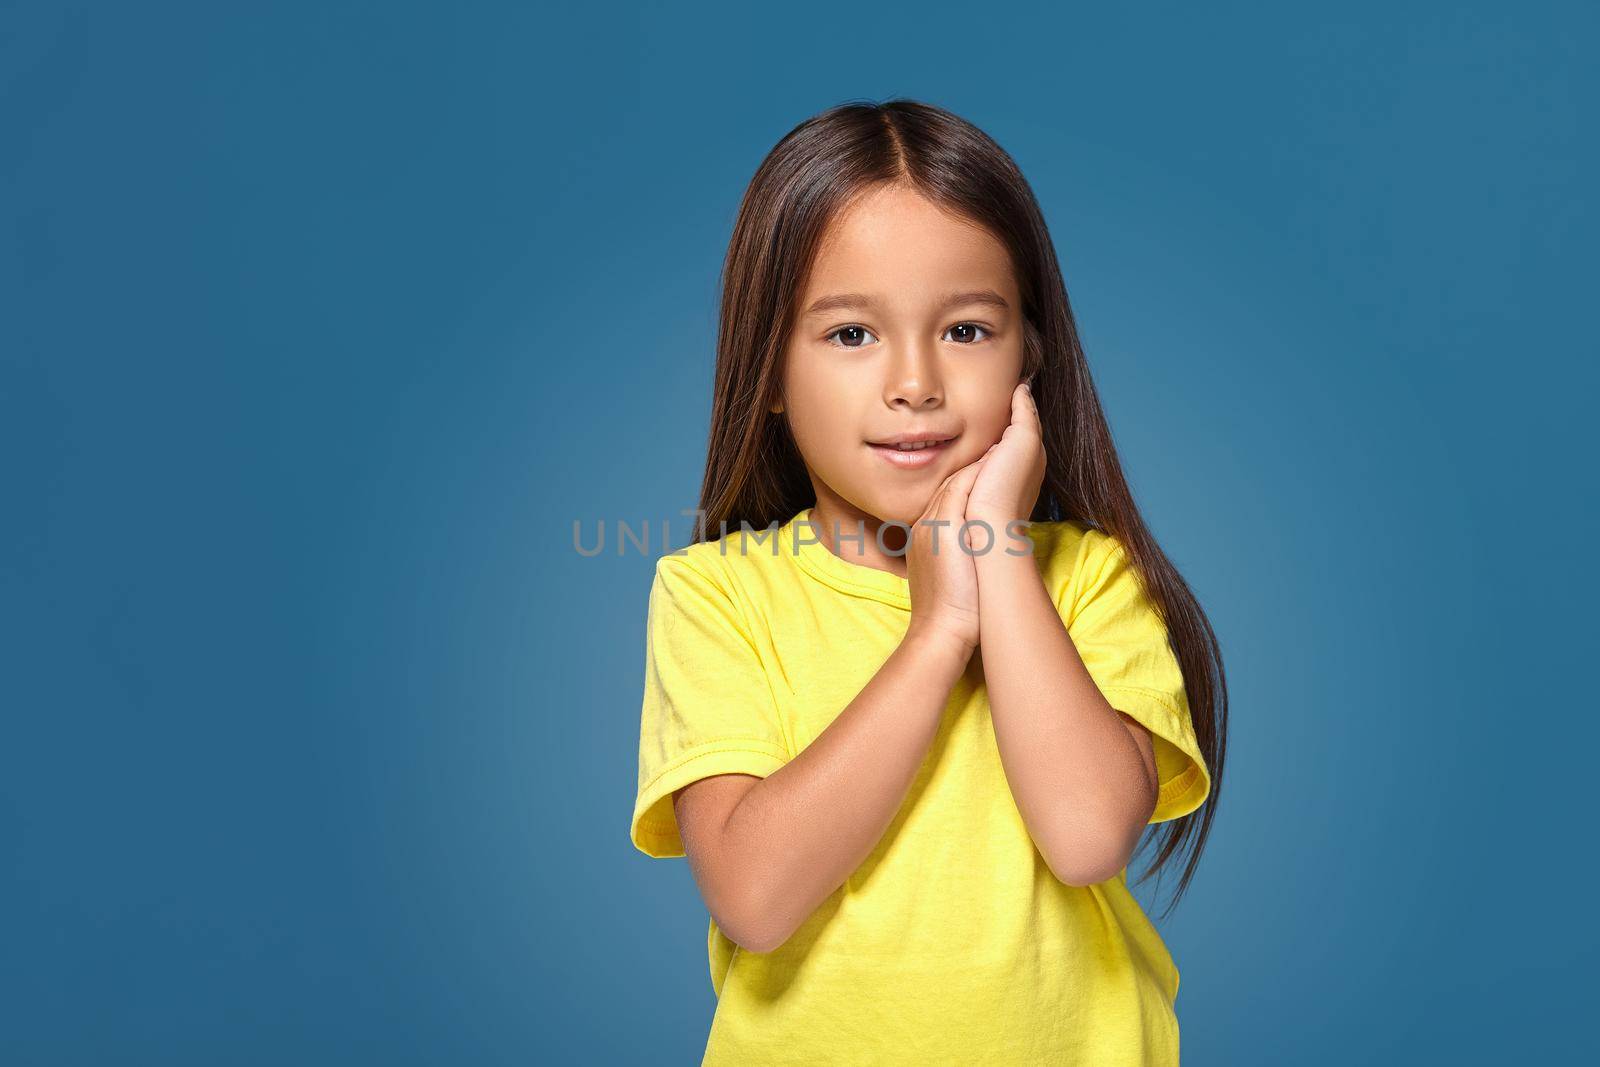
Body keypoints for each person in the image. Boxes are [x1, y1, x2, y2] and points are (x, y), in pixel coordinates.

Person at [629, 98, 1229, 1065]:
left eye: (965, 329)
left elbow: (1084, 838)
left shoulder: (1088, 578)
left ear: (1029, 357)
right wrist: (939, 632)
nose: (915, 381)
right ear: (770, 370)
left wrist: (995, 555)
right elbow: (754, 897)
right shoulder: (717, 595)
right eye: (851, 335)